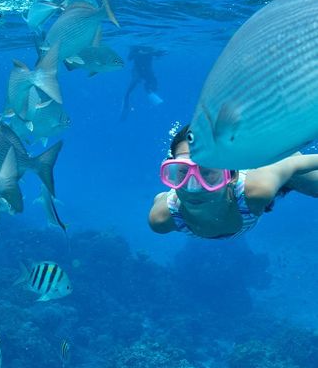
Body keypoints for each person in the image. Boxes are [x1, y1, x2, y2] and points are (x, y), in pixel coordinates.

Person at [148, 123, 318, 240]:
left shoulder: (257, 189)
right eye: (181, 172)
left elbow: (293, 164)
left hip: (269, 164)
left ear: (232, 177)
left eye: (207, 173)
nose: (193, 188)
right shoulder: (162, 219)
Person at [120, 46, 164, 120]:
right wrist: (137, 52)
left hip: (148, 71)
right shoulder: (135, 47)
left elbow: (158, 54)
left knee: (153, 85)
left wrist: (158, 52)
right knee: (135, 81)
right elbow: (129, 58)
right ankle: (126, 100)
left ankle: (151, 94)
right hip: (137, 71)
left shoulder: (151, 48)